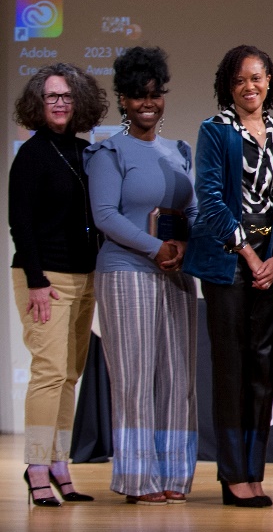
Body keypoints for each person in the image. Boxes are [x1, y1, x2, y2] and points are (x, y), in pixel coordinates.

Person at [84, 46, 199, 506]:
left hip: (177, 274)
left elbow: (192, 212)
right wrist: (156, 248)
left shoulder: (179, 151)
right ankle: (138, 477)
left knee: (177, 378)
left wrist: (185, 245)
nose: (147, 103)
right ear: (123, 100)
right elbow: (105, 216)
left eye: (154, 94)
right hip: (126, 271)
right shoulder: (108, 152)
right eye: (137, 95)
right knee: (135, 378)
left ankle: (174, 474)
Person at [183, 44, 273, 507]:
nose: (250, 86)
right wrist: (249, 255)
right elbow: (210, 200)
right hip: (227, 264)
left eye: (257, 77)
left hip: (270, 266)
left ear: (269, 82)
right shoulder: (215, 130)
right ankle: (232, 476)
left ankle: (254, 471)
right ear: (228, 86)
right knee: (231, 369)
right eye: (240, 80)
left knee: (262, 370)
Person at [10, 63, 107, 507]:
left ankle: (58, 463)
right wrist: (35, 281)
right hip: (44, 279)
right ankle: (35, 466)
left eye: (67, 95)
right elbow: (20, 224)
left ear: (79, 102)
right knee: (49, 373)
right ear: (38, 102)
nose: (60, 103)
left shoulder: (87, 153)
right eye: (52, 96)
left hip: (85, 278)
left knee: (69, 375)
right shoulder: (31, 155)